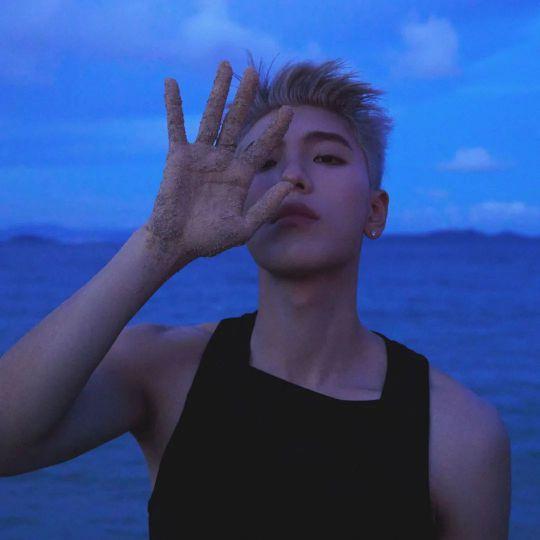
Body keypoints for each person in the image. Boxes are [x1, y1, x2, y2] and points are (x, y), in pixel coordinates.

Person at [0, 56, 511, 539]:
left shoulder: (460, 433)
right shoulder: (163, 369)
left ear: (375, 211)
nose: (292, 176)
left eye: (327, 157)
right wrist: (159, 246)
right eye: (263, 160)